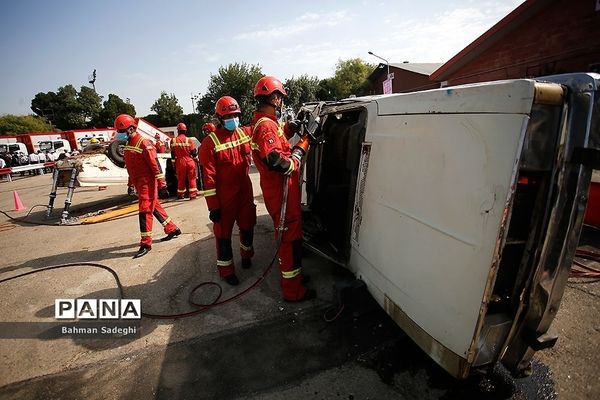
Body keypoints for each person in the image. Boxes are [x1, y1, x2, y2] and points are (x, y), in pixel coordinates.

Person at [250, 76, 315, 302]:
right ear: (275, 98)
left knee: (291, 236)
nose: (281, 101)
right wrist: (301, 147)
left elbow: (275, 142)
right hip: (281, 190)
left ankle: (293, 280)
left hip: (279, 189)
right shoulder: (266, 125)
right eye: (280, 97)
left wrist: (288, 129)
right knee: (289, 239)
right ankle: (292, 291)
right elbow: (277, 161)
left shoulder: (265, 121)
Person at [199, 96, 256, 286]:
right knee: (223, 236)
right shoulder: (209, 143)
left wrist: (288, 128)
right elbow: (208, 178)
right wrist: (213, 207)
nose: (234, 119)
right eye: (229, 116)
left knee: (248, 227)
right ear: (219, 118)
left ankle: (246, 255)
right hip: (224, 199)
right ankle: (226, 270)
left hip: (245, 194)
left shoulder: (244, 133)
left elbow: (264, 130)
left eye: (236, 115)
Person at [114, 114, 181, 259]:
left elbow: (155, 165)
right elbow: (130, 168)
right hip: (138, 184)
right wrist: (130, 185)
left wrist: (162, 185)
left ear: (131, 129)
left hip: (147, 184)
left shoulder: (144, 143)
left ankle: (146, 243)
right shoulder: (127, 146)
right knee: (154, 206)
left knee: (145, 211)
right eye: (118, 132)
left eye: (121, 131)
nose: (119, 135)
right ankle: (172, 229)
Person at [170, 122, 198, 199]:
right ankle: (192, 194)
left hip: (180, 162)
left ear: (178, 131)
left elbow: (172, 154)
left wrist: (173, 164)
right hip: (189, 161)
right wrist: (196, 158)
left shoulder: (173, 140)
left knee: (180, 179)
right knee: (192, 178)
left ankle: (180, 194)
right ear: (185, 130)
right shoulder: (189, 140)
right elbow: (193, 153)